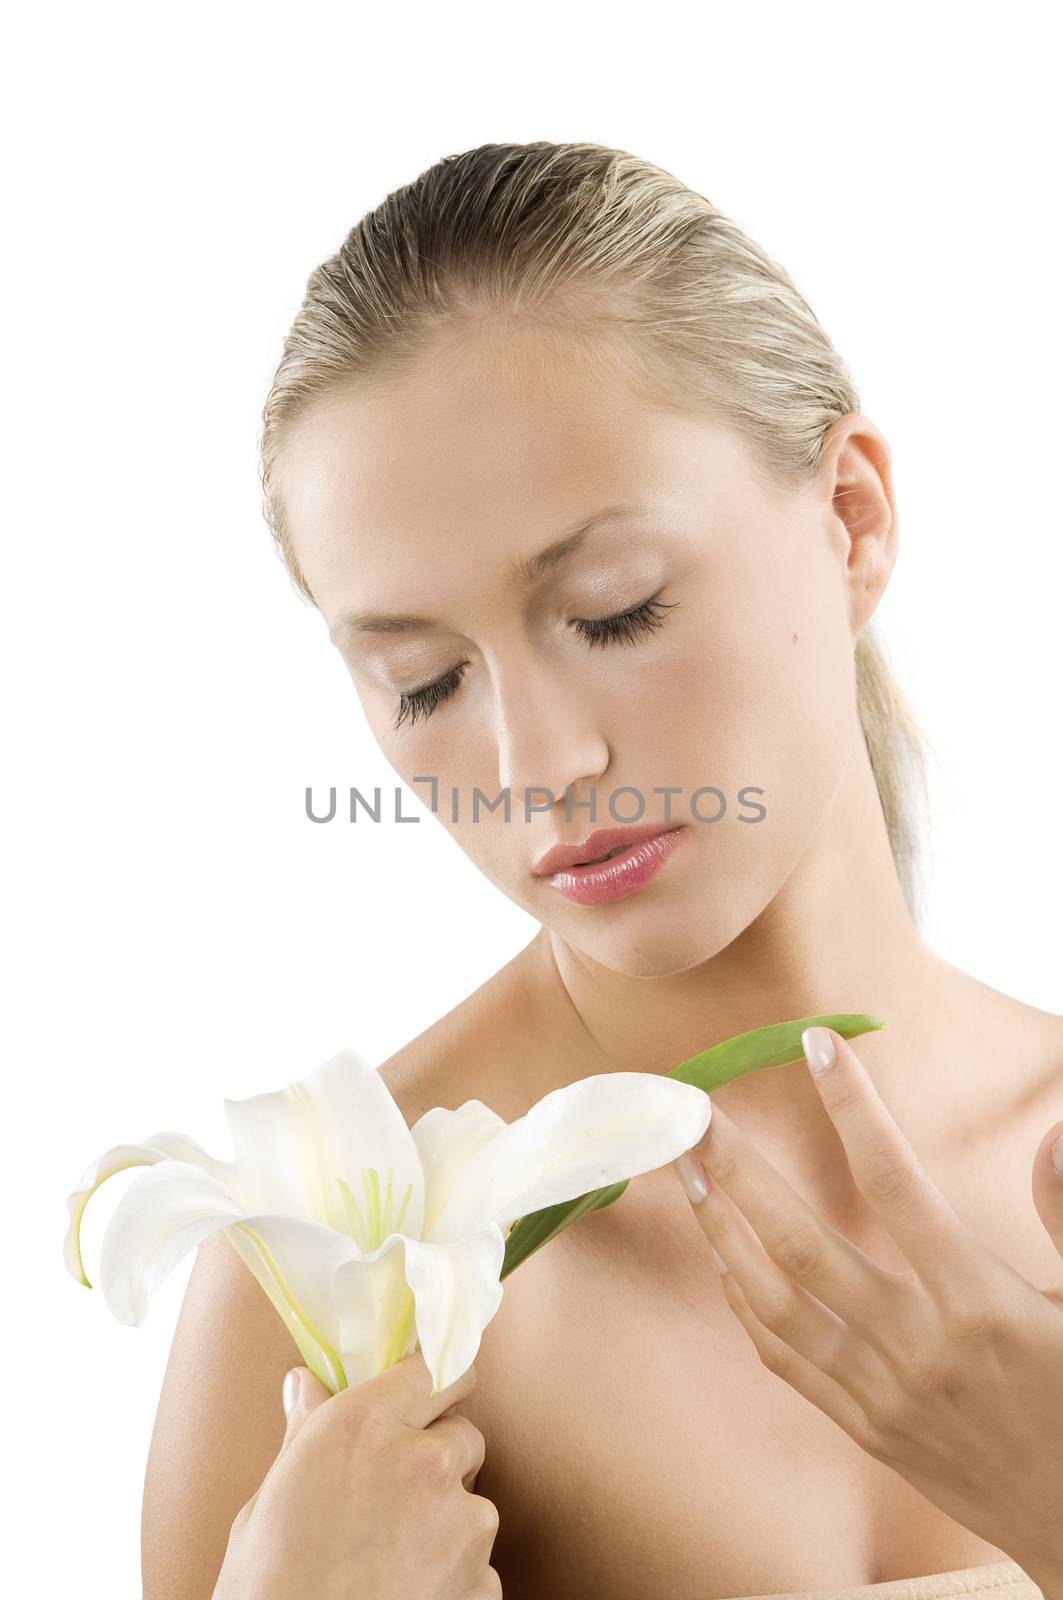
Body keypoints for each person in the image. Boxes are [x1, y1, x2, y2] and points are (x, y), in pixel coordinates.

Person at [141, 140, 1063, 1600]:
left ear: (853, 520)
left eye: (615, 611)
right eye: (426, 682)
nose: (535, 763)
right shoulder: (338, 1289)